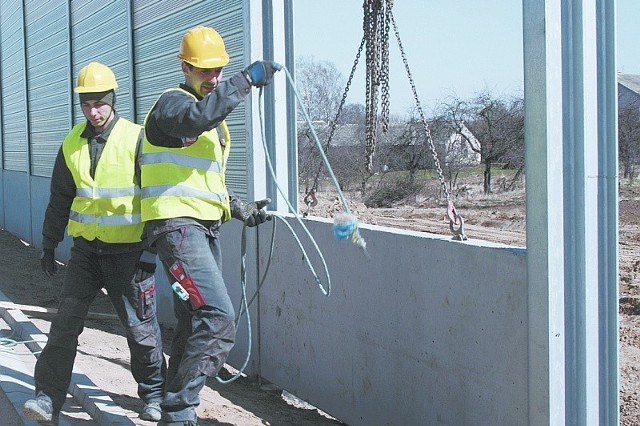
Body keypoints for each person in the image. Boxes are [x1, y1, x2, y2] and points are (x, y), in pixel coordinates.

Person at [139, 25, 279, 425]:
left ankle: (171, 402)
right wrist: (245, 80)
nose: (213, 78)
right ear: (185, 68)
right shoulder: (170, 106)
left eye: (219, 70)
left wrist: (238, 208)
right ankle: (180, 410)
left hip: (201, 227)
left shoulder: (212, 121)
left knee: (193, 321)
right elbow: (195, 118)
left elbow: (200, 180)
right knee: (218, 318)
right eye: (204, 71)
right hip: (176, 229)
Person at [22, 62, 166, 425]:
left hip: (130, 254)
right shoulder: (72, 143)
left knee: (140, 328)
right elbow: (60, 198)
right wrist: (49, 244)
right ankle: (47, 398)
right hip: (86, 253)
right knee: (64, 325)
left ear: (112, 99)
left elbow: (156, 198)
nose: (94, 111)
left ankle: (153, 395)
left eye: (99, 103)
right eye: (87, 104)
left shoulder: (136, 138)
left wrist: (150, 250)